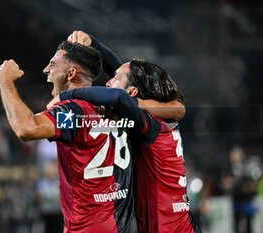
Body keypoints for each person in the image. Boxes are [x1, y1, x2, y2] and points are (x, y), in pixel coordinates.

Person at [56, 31, 201, 233]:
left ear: (134, 92)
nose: (107, 81)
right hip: (184, 225)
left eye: (113, 78)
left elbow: (119, 95)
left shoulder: (148, 123)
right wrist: (94, 43)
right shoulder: (161, 116)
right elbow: (125, 81)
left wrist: (66, 94)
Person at [0, 41, 138, 233]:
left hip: (87, 228)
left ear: (71, 74)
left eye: (53, 65)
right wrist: (93, 42)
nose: (46, 70)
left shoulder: (73, 111)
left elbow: (27, 129)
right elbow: (123, 73)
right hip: (125, 226)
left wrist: (5, 81)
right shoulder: (117, 108)